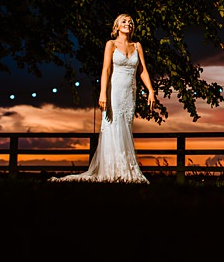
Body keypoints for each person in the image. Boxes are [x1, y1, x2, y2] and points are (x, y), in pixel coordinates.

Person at [50, 14, 157, 183]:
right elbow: (106, 70)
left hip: (130, 93)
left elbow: (142, 70)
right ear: (116, 26)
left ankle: (126, 169)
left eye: (130, 22)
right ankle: (112, 170)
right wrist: (103, 93)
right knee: (113, 127)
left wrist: (150, 90)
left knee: (125, 128)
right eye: (124, 21)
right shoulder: (111, 45)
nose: (128, 24)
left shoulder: (137, 46)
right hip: (114, 92)